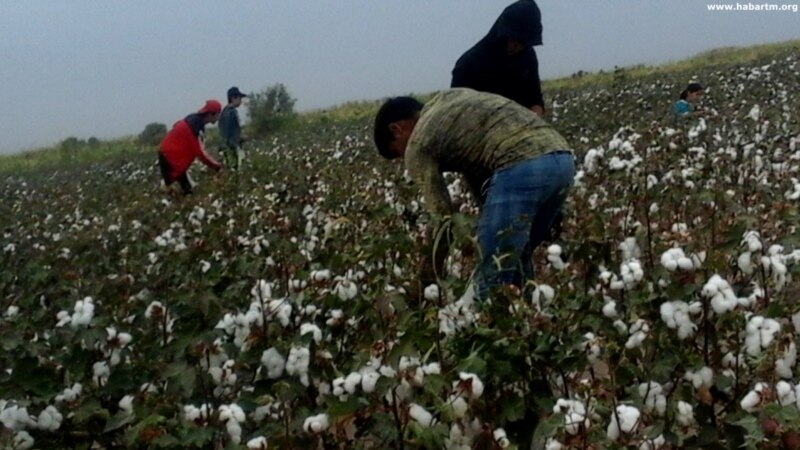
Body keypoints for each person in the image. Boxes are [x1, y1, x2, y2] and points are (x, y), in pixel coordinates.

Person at [374, 89, 575, 298]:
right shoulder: (450, 101)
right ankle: (525, 319)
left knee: (492, 271)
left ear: (397, 129)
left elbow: (442, 219)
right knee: (516, 259)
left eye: (398, 152)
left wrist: (426, 279)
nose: (404, 158)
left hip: (521, 165)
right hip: (563, 160)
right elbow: (476, 169)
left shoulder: (418, 142)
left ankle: (482, 323)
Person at [451, 0, 546, 117]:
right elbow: (458, 116)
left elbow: (535, 98)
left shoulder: (528, 56)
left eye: (523, 42)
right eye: (513, 38)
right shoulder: (467, 66)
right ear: (502, 32)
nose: (516, 46)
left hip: (522, 128)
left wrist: (534, 117)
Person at [158, 100, 223, 195]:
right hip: (171, 158)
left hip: (167, 154)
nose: (219, 117)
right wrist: (217, 167)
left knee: (185, 190)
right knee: (181, 192)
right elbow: (201, 153)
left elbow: (176, 125)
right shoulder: (196, 126)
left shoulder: (193, 120)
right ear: (211, 114)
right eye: (218, 114)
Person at [219, 86, 248, 170]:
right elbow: (230, 132)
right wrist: (240, 138)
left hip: (227, 147)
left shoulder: (224, 112)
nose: (241, 101)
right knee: (235, 169)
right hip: (232, 147)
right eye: (239, 98)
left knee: (230, 168)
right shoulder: (231, 112)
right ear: (233, 98)